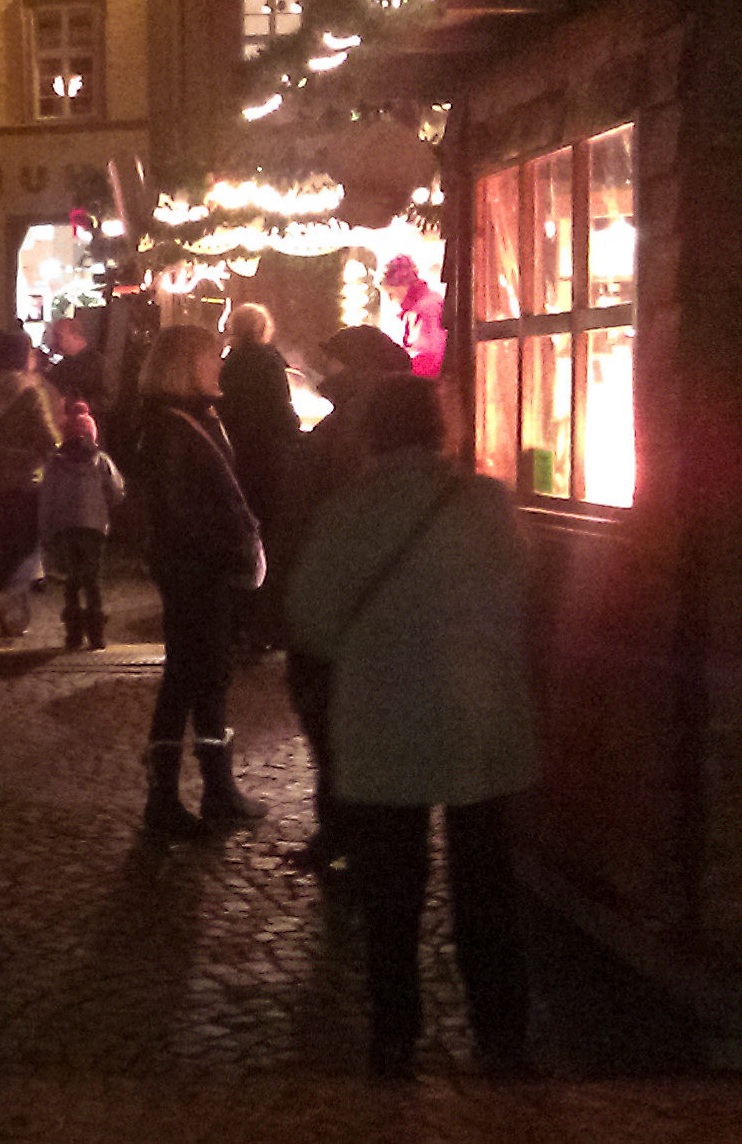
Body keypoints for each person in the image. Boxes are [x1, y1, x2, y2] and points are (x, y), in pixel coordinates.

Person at [289, 374, 537, 1079]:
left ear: (371, 432)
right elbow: (525, 587)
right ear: (441, 428)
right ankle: (502, 1032)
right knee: (486, 880)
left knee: (392, 889)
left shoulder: (348, 511)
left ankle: (394, 1034)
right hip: (479, 715)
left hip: (385, 721)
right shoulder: (487, 504)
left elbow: (310, 617)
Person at [277, 324, 417, 874]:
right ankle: (350, 834)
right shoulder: (357, 422)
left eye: (332, 362)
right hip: (350, 596)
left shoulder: (354, 428)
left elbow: (321, 512)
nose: (321, 371)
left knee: (336, 720)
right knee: (340, 723)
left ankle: (355, 838)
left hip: (344, 598)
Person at [133, 324, 267, 837]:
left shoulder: (193, 417)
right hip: (194, 570)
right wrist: (222, 548)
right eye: (212, 357)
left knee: (208, 676)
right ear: (189, 365)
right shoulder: (170, 427)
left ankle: (215, 789)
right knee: (189, 676)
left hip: (205, 567)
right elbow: (175, 510)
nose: (220, 365)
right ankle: (167, 798)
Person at [217, 303, 302, 649]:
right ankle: (267, 621)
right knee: (271, 537)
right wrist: (295, 436)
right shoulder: (270, 363)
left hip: (238, 460)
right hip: (270, 460)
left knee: (243, 539)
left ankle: (242, 618)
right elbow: (281, 411)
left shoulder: (228, 365)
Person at [0, 329, 62, 638]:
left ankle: (11, 617)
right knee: (31, 542)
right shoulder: (30, 391)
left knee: (4, 542)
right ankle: (10, 595)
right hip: (25, 477)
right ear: (24, 356)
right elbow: (47, 437)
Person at [39, 400, 125, 649]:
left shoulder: (55, 463)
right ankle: (97, 634)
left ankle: (74, 634)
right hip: (94, 527)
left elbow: (47, 497)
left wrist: (46, 529)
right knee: (92, 579)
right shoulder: (101, 460)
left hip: (65, 526)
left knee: (71, 579)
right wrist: (104, 507)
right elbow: (117, 491)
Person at [380, 256, 446, 379]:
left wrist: (400, 373)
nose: (390, 299)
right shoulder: (421, 307)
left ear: (403, 286)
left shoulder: (427, 308)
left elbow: (431, 357)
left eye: (391, 293)